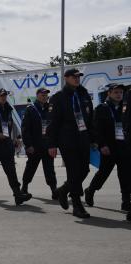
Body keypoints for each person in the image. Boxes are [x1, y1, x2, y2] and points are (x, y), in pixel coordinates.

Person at [48, 68, 94, 218]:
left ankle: (62, 190)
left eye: (79, 76)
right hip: (67, 139)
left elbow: (90, 118)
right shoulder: (59, 97)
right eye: (74, 76)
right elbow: (53, 123)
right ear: (66, 78)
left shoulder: (84, 94)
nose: (77, 79)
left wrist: (93, 138)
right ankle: (77, 205)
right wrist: (52, 144)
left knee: (84, 170)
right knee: (73, 172)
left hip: (83, 137)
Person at [84, 83, 131, 211]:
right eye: (116, 92)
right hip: (109, 147)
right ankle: (91, 190)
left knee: (126, 174)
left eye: (121, 92)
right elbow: (97, 129)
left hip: (124, 146)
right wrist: (102, 145)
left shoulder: (125, 108)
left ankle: (126, 201)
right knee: (104, 173)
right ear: (109, 93)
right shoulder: (102, 108)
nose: (119, 95)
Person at [0, 88, 31, 205]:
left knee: (11, 170)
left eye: (5, 95)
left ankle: (18, 194)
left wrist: (16, 138)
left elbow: (10, 126)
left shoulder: (8, 108)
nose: (4, 97)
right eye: (1, 95)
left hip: (6, 145)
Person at [21, 87, 58, 199]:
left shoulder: (51, 109)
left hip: (47, 145)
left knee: (49, 169)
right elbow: (25, 129)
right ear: (37, 95)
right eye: (42, 95)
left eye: (46, 95)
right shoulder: (31, 109)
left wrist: (54, 143)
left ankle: (54, 190)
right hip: (35, 145)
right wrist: (28, 145)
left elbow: (54, 127)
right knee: (31, 167)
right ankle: (24, 187)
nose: (45, 97)